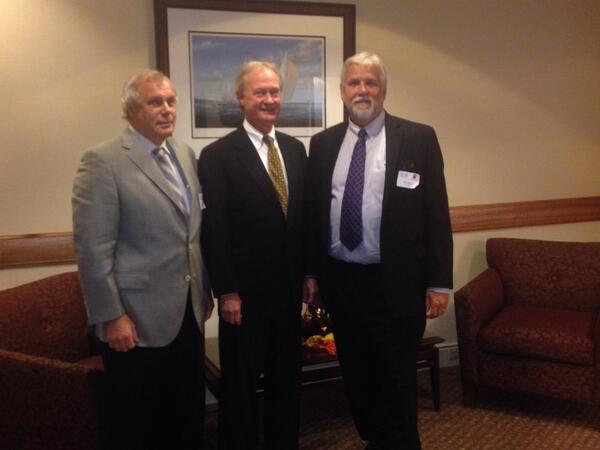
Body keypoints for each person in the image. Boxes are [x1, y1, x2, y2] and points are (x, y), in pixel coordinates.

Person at [307, 52, 453, 450]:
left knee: (397, 378)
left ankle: (403, 443)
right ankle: (375, 439)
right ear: (342, 91)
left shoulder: (418, 138)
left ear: (383, 90)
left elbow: (436, 214)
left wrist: (439, 283)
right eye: (354, 83)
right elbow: (315, 215)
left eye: (370, 82)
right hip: (343, 282)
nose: (363, 90)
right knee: (358, 375)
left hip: (397, 284)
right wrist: (312, 273)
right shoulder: (322, 145)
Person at [72, 69, 213, 450]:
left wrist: (204, 291)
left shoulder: (184, 154)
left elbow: (191, 236)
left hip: (187, 312)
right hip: (133, 322)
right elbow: (93, 249)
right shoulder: (102, 162)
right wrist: (111, 315)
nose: (167, 109)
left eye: (171, 101)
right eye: (155, 102)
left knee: (185, 415)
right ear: (132, 110)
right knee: (138, 423)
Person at [198, 61, 317, 450]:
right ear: (241, 98)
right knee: (241, 387)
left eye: (275, 92)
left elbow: (303, 218)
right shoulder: (217, 155)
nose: (269, 99)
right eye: (260, 92)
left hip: (288, 294)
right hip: (244, 298)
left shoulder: (296, 150)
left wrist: (309, 273)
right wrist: (226, 290)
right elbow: (214, 229)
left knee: (287, 382)